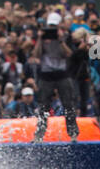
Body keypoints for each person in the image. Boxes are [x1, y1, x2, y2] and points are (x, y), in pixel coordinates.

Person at [30, 13, 80, 144]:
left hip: (62, 73)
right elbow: (35, 55)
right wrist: (40, 39)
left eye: (54, 26)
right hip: (46, 75)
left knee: (68, 104)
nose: (51, 29)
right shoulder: (42, 36)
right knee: (43, 106)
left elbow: (69, 54)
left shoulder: (66, 36)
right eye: (50, 26)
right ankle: (39, 135)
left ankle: (73, 134)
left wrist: (60, 40)